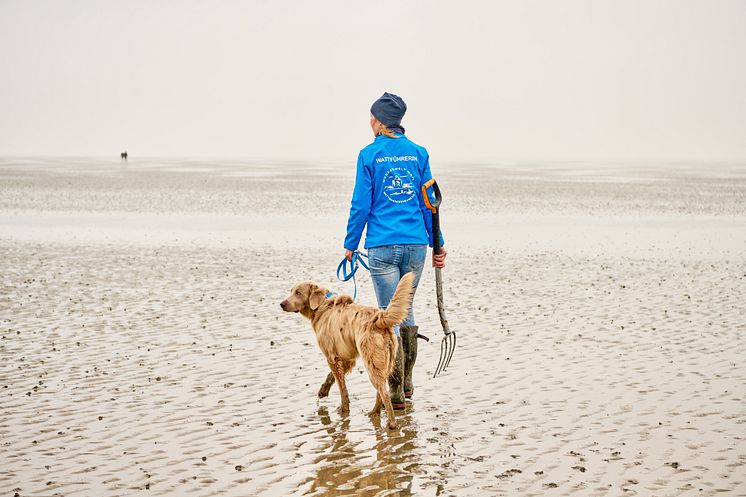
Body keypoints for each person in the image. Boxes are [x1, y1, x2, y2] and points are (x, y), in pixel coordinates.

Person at [343, 92, 447, 410]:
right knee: (405, 311)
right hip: (415, 243)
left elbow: (361, 203)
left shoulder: (369, 155)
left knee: (387, 317)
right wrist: (437, 243)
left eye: (371, 117)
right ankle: (407, 384)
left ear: (380, 121)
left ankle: (396, 390)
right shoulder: (418, 153)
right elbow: (429, 203)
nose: (369, 122)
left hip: (383, 245)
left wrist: (350, 244)